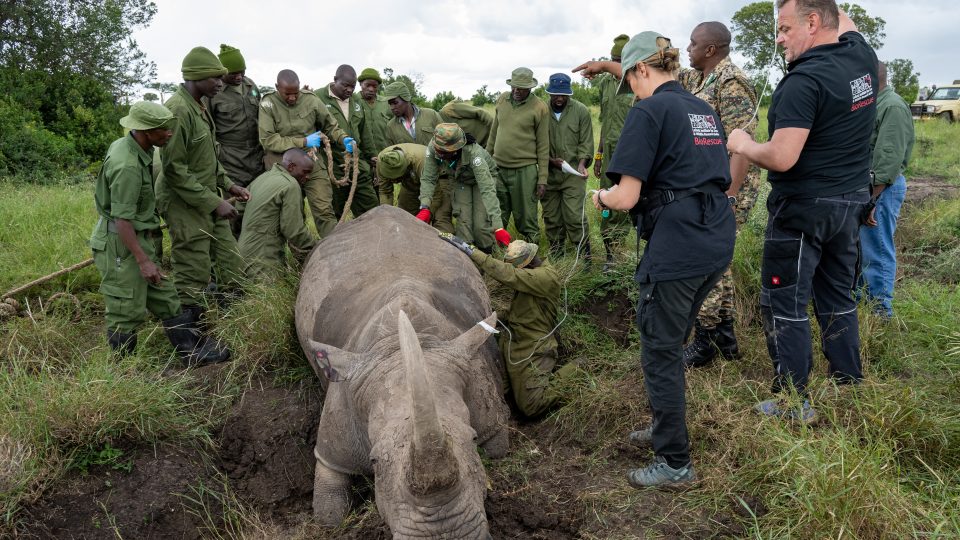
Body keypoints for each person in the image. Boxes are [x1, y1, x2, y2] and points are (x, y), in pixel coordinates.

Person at [587, 32, 735, 488]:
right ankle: (663, 423)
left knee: (659, 348)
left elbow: (627, 197)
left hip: (679, 244)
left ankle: (674, 462)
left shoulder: (648, 110)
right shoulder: (702, 110)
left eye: (629, 79)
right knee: (672, 338)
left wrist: (602, 196)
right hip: (716, 235)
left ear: (642, 70)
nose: (630, 88)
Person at [726, 2, 877, 421]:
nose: (778, 38)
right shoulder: (860, 56)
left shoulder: (802, 82)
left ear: (812, 23)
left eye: (784, 28)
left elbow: (782, 156)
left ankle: (793, 399)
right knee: (836, 293)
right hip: (848, 204)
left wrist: (741, 144)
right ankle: (848, 380)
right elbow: (842, 18)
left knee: (783, 301)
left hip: (803, 210)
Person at [92, 101, 229, 365]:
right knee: (125, 309)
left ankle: (190, 353)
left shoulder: (131, 146)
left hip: (136, 239)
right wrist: (143, 261)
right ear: (144, 132)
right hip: (121, 245)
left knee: (166, 297)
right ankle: (122, 375)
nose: (169, 134)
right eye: (162, 130)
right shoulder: (127, 166)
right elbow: (122, 220)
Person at [676, 22, 760, 367]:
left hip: (727, 189)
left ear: (711, 49)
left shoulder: (731, 82)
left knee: (707, 258)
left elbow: (742, 145)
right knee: (719, 262)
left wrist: (730, 195)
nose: (687, 48)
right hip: (710, 186)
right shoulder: (697, 78)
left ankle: (706, 339)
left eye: (693, 43)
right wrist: (607, 66)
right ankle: (724, 337)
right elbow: (660, 72)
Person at [157, 46, 250, 319]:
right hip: (183, 201)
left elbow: (207, 157)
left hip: (207, 196)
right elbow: (174, 170)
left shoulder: (199, 106)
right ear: (196, 78)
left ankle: (232, 318)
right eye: (215, 78)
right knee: (193, 266)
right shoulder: (177, 110)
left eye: (221, 77)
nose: (220, 83)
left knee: (230, 258)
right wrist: (214, 202)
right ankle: (189, 338)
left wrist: (229, 185)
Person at [439, 237, 579, 417]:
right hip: (513, 341)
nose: (512, 269)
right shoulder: (533, 275)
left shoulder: (546, 278)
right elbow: (521, 311)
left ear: (524, 265)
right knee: (501, 392)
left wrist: (472, 251)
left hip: (534, 346)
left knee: (531, 405)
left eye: (514, 266)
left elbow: (507, 274)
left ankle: (576, 368)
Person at [258, 69, 355, 238]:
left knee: (324, 209)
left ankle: (336, 252)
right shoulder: (268, 104)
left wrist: (343, 139)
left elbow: (331, 126)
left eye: (295, 93)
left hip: (311, 161)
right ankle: (300, 257)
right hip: (283, 167)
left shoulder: (311, 100)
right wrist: (303, 141)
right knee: (291, 215)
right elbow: (268, 140)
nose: (292, 98)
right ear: (276, 88)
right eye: (287, 94)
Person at [858, 61, 913, 319]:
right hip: (867, 189)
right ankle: (862, 305)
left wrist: (872, 199)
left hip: (882, 189)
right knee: (861, 249)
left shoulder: (891, 106)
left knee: (877, 249)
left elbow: (888, 159)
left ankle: (880, 312)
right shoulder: (871, 105)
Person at [420, 123, 510, 253]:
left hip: (482, 181)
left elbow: (487, 189)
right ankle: (467, 258)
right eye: (437, 150)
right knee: (464, 223)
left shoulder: (474, 154)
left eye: (443, 152)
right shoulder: (435, 147)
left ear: (455, 149)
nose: (439, 154)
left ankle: (487, 257)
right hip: (460, 180)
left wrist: (498, 227)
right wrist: (425, 206)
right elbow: (428, 178)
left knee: (481, 226)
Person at [487, 67, 550, 245]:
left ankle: (531, 255)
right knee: (497, 215)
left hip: (525, 171)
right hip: (498, 168)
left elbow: (543, 146)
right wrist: (486, 161)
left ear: (530, 88)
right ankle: (497, 252)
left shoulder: (539, 107)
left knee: (526, 217)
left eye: (521, 88)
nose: (516, 91)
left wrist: (542, 179)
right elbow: (494, 133)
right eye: (514, 86)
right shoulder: (502, 100)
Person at [209, 44, 264, 239]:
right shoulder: (214, 92)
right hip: (231, 160)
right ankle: (233, 254)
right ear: (222, 72)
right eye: (233, 74)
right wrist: (219, 155)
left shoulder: (250, 85)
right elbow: (209, 128)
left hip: (256, 158)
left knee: (257, 205)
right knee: (233, 210)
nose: (239, 77)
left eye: (242, 72)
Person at [382, 81, 452, 232]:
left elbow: (448, 141)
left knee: (442, 223)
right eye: (389, 104)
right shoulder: (390, 127)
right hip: (411, 183)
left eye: (395, 102)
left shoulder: (431, 116)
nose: (392, 107)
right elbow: (392, 154)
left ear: (406, 99)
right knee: (404, 222)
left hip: (439, 178)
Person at [238, 148, 318, 279]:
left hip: (243, 250)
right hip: (264, 257)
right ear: (291, 167)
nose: (308, 177)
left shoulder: (263, 178)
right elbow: (293, 230)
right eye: (305, 172)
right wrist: (314, 247)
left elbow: (239, 207)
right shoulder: (290, 185)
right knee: (265, 297)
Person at [542, 73, 594, 260]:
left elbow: (586, 142)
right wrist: (550, 161)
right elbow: (534, 143)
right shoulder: (540, 111)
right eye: (555, 94)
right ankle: (557, 255)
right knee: (552, 218)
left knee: (574, 216)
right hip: (548, 174)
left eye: (563, 95)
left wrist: (581, 164)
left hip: (573, 174)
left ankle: (584, 255)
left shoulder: (581, 111)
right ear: (549, 93)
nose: (559, 98)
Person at [595, 34, 636, 271]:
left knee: (628, 201)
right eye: (613, 59)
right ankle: (610, 254)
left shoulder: (636, 84)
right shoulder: (604, 84)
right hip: (609, 151)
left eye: (620, 60)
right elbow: (604, 122)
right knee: (605, 202)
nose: (615, 65)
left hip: (630, 152)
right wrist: (599, 156)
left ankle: (624, 253)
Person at [317, 64, 379, 219]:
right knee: (335, 214)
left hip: (358, 166)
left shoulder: (356, 100)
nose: (349, 90)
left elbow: (364, 133)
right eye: (345, 86)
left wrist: (372, 156)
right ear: (335, 80)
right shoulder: (318, 98)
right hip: (333, 169)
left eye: (352, 87)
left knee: (371, 210)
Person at [375, 143, 445, 216]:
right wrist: (386, 214)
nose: (394, 182)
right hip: (410, 180)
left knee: (440, 216)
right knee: (404, 213)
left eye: (396, 178)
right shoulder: (382, 162)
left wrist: (427, 212)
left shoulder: (422, 160)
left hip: (438, 178)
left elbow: (435, 194)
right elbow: (385, 191)